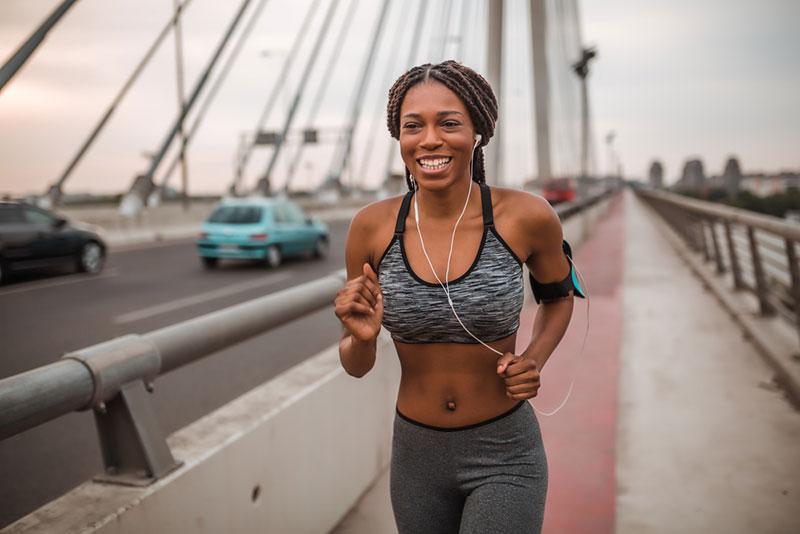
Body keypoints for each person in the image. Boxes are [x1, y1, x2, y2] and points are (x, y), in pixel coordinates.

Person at [334, 60, 578, 534]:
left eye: (448, 123)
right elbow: (356, 363)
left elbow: (559, 298)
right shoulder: (371, 227)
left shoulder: (525, 217)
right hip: (416, 457)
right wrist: (361, 338)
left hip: (505, 451)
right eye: (412, 126)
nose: (429, 140)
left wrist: (534, 359)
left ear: (478, 133)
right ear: (398, 138)